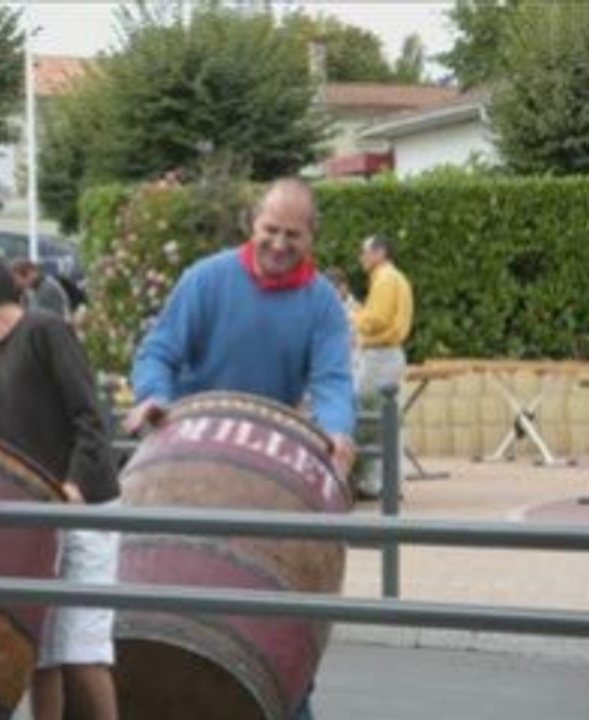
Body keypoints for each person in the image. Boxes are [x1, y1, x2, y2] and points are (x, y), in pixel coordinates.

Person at [126, 178, 357, 720]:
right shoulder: (207, 280)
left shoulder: (321, 303)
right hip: (189, 467)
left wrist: (337, 430)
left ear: (311, 237)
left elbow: (332, 380)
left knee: (276, 624)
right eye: (270, 230)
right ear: (253, 225)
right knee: (168, 611)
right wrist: (154, 396)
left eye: (292, 235)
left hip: (267, 476)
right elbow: (159, 351)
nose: (279, 243)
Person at [0, 251, 120, 720]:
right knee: (40, 653)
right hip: (36, 517)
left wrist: (74, 486)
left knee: (82, 652)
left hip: (82, 509)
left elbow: (90, 417)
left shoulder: (46, 331)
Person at [351, 234, 414, 498]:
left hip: (380, 355)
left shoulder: (385, 279)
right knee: (389, 420)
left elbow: (376, 319)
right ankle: (390, 483)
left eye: (365, 252)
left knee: (370, 418)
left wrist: (353, 317)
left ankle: (371, 483)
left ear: (380, 253)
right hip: (389, 354)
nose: (361, 258)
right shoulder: (393, 277)